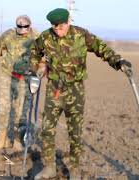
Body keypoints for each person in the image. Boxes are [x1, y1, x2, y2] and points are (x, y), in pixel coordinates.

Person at [29, 8, 133, 179]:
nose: (57, 29)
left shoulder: (81, 35)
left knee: (75, 132)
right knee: (47, 129)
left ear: (68, 22)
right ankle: (49, 167)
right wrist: (38, 66)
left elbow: (101, 48)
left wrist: (118, 61)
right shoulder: (46, 37)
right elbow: (34, 52)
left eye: (60, 26)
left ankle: (75, 169)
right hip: (54, 89)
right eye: (54, 26)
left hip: (75, 90)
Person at [0, 15, 39, 151]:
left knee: (20, 111)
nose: (22, 29)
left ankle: (17, 140)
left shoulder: (37, 37)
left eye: (25, 27)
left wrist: (39, 69)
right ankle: (2, 139)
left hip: (25, 79)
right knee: (3, 107)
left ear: (30, 25)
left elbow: (43, 56)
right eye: (19, 26)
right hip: (7, 75)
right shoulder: (8, 35)